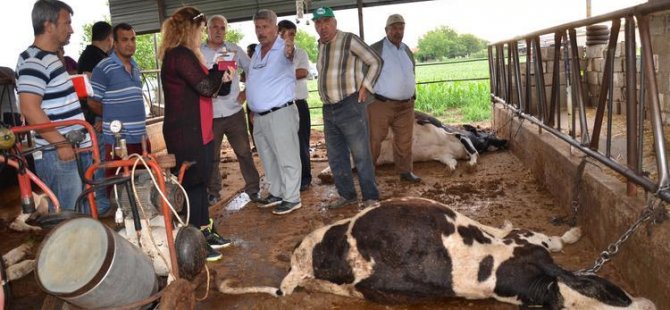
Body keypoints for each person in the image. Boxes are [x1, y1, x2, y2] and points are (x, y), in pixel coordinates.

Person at [159, 6, 233, 261]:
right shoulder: (178, 55)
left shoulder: (190, 55)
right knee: (191, 184)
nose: (203, 35)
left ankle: (204, 230)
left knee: (200, 181)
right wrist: (218, 72)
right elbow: (204, 87)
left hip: (199, 129)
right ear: (189, 29)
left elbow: (215, 90)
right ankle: (193, 243)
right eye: (201, 30)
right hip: (184, 132)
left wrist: (225, 77)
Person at [16, 0, 93, 212]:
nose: (72, 29)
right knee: (69, 219)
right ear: (49, 25)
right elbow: (29, 108)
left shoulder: (51, 58)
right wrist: (60, 143)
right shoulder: (34, 61)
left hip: (70, 149)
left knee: (81, 213)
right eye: (66, 23)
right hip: (59, 154)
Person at [312, 6, 383, 209]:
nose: (322, 26)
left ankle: (371, 197)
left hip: (350, 104)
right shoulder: (321, 45)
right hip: (328, 108)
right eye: (318, 23)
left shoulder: (349, 40)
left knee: (360, 154)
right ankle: (347, 196)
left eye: (326, 21)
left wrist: (366, 86)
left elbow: (376, 61)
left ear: (334, 23)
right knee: (336, 156)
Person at [200, 15, 262, 206]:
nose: (218, 31)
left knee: (244, 152)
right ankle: (213, 192)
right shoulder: (198, 52)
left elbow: (253, 69)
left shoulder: (234, 49)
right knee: (213, 157)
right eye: (214, 27)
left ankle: (254, 189)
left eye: (222, 28)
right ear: (207, 29)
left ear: (226, 30)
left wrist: (246, 92)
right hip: (210, 114)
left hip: (234, 112)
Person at [246, 9, 302, 215]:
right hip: (259, 117)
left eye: (265, 27)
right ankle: (277, 192)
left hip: (280, 113)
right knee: (268, 159)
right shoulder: (257, 52)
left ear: (275, 28)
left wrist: (289, 47)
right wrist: (253, 108)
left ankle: (292, 197)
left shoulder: (283, 48)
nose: (261, 32)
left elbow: (291, 53)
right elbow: (255, 81)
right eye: (257, 27)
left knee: (287, 157)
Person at [369, 14, 421, 183]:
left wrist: (412, 94)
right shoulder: (376, 48)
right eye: (394, 28)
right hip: (380, 104)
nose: (398, 32)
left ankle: (405, 171)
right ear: (386, 30)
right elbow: (363, 72)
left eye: (401, 28)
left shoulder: (406, 49)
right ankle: (368, 174)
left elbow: (411, 72)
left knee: (404, 140)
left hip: (406, 105)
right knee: (374, 139)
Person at [89, 23, 151, 163]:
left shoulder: (135, 67)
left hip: (141, 139)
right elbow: (92, 102)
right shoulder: (103, 67)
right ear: (115, 43)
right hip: (118, 142)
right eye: (124, 40)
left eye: (133, 39)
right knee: (118, 182)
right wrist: (110, 118)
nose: (130, 44)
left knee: (143, 182)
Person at [77, 20, 113, 216]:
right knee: (96, 164)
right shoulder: (94, 58)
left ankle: (96, 204)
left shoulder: (91, 55)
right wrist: (101, 116)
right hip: (94, 120)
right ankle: (99, 206)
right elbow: (92, 96)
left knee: (95, 163)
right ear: (110, 38)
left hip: (93, 118)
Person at [278, 20, 312, 192]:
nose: (288, 37)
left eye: (292, 33)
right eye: (285, 33)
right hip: (279, 106)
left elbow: (302, 72)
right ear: (278, 34)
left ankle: (305, 178)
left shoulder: (301, 53)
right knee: (283, 144)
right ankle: (288, 180)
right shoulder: (273, 55)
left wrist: (279, 74)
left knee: (301, 143)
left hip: (298, 104)